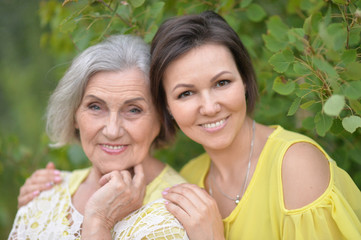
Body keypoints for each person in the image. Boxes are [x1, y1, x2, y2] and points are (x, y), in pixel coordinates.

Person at [17, 11, 361, 239]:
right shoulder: (190, 181)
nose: (209, 107)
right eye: (186, 93)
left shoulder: (296, 166)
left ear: (245, 80)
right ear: (167, 108)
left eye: (222, 83)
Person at [8, 34, 188, 239]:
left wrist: (98, 221)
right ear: (74, 114)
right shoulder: (46, 194)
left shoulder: (176, 213)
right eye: (95, 107)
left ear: (161, 119)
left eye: (134, 110)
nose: (112, 131)